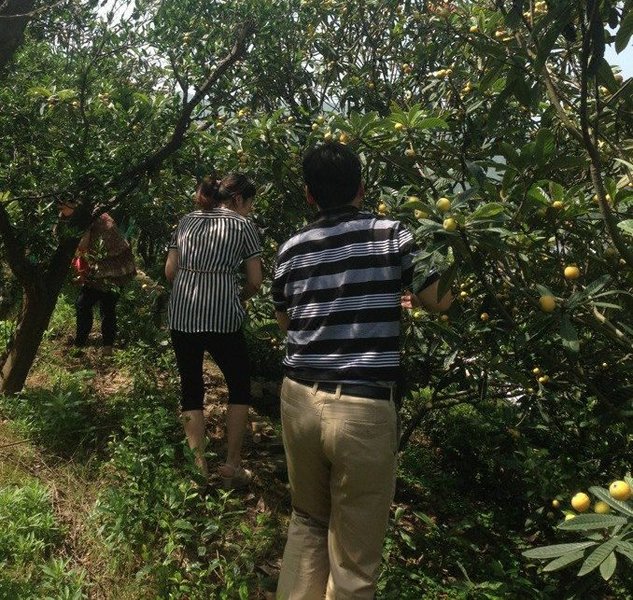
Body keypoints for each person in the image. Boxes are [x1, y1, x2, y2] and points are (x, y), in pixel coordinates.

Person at [272, 142, 452, 599]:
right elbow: (438, 300)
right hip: (362, 406)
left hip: (299, 398)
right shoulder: (392, 234)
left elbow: (286, 322)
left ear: (309, 195)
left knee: (308, 521)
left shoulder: (291, 248)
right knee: (353, 560)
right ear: (361, 188)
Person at [165, 173, 262, 488]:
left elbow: (170, 271)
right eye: (250, 203)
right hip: (223, 318)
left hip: (183, 315)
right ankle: (231, 464)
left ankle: (199, 468)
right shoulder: (243, 226)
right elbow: (255, 281)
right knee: (239, 385)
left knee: (191, 388)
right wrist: (237, 296)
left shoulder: (186, 222)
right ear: (238, 199)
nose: (250, 209)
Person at [60, 201, 136, 355]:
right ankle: (96, 345)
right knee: (101, 306)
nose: (59, 208)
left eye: (62, 205)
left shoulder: (88, 217)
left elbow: (82, 247)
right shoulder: (90, 212)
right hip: (109, 266)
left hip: (112, 268)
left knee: (89, 305)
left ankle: (86, 345)